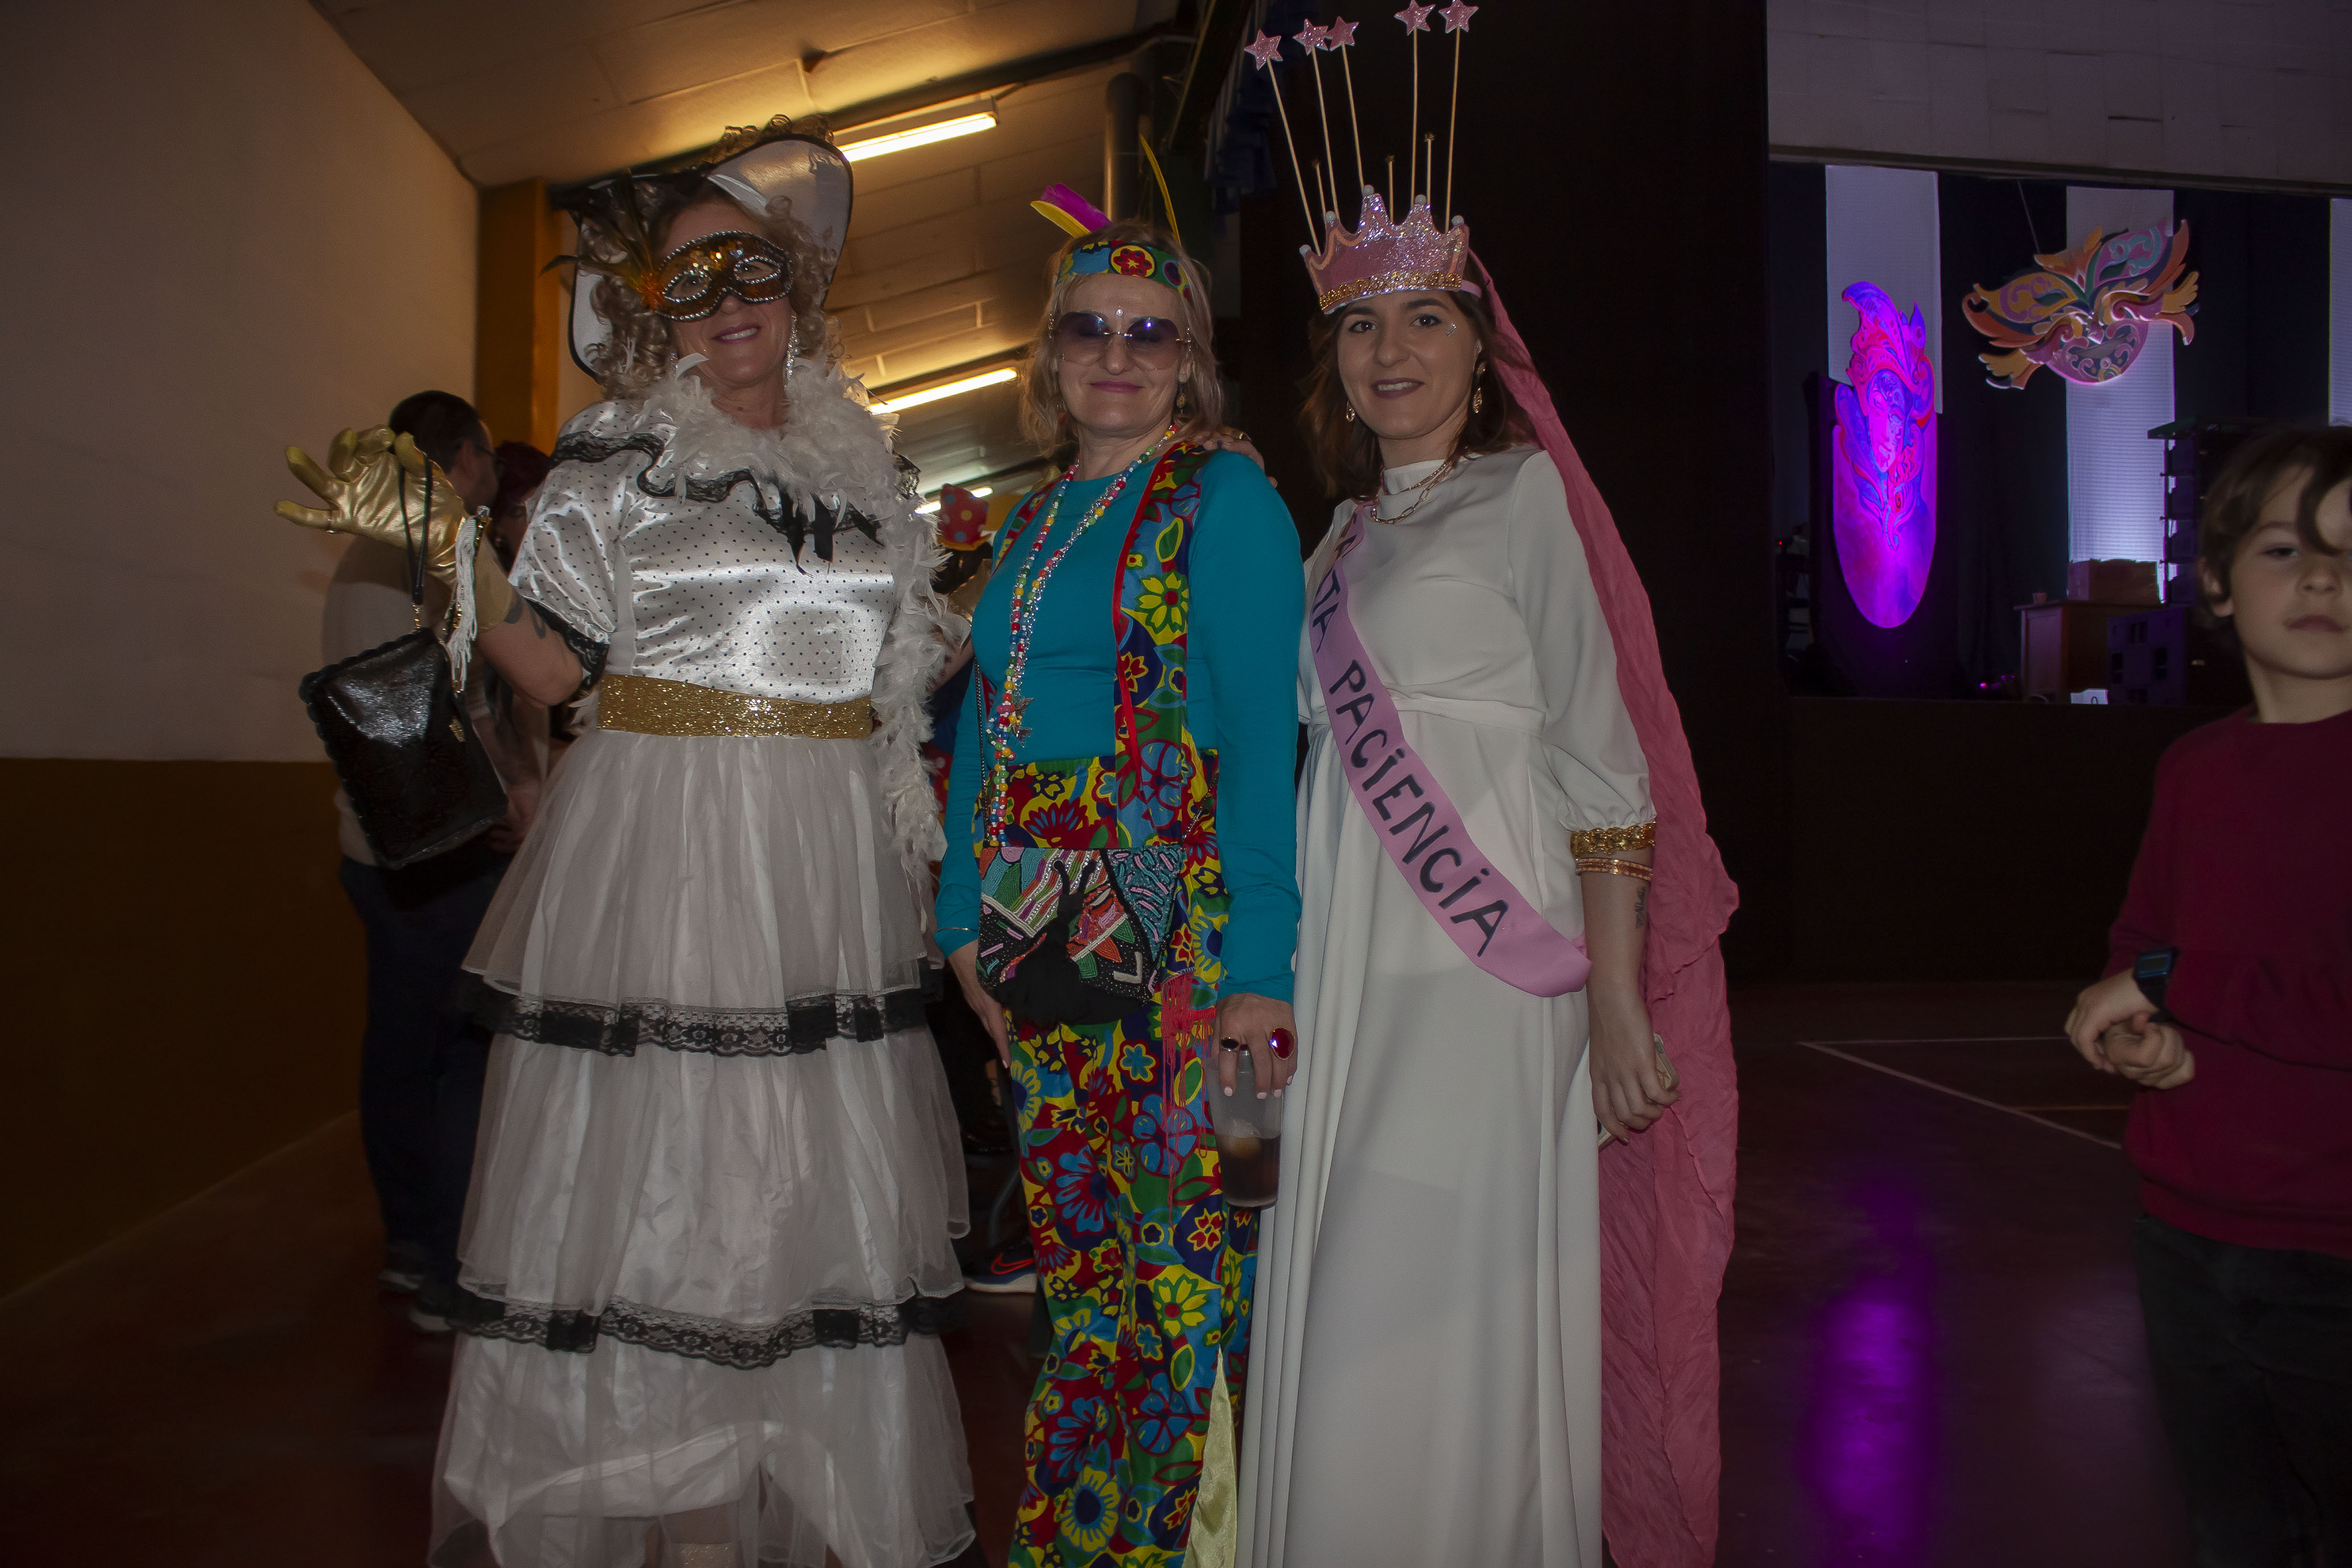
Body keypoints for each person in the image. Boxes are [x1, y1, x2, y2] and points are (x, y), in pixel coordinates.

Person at [276, 120, 981, 1567]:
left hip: (825, 858)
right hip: (669, 843)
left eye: (751, 269)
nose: (727, 302)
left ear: (799, 285)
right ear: (657, 312)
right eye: (691, 280)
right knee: (674, 1179)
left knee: (797, 1182)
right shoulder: (617, 455)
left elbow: (899, 673)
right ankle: (686, 1496)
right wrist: (447, 545)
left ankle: (791, 1469)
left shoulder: (870, 467)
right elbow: (550, 667)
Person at [1236, 18, 1738, 1566]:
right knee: (1351, 1262)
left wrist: (1616, 1003)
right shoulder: (1332, 541)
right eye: (1360, 324)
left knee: (1436, 1274)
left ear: (1478, 349)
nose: (1388, 349)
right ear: (1332, 358)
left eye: (1423, 319)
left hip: (1486, 961)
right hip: (1352, 958)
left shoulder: (1525, 499)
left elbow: (1601, 765)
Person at [936, 207, 1304, 1566]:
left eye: (1152, 333)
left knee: (1187, 1293)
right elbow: (989, 725)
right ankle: (1071, 1542)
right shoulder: (1035, 519)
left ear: (1191, 362)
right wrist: (961, 921)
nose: (1118, 352)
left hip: (1189, 938)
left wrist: (1259, 973)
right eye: (1089, 327)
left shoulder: (1227, 500)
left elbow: (1261, 746)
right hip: (1041, 924)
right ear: (1049, 353)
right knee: (1086, 1290)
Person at [2065, 425, 2352, 1567]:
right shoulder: (2194, 770)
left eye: (2351, 554)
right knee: (2234, 1531)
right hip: (2185, 1233)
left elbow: (2187, 969)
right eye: (2286, 549)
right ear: (2219, 584)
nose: (2322, 579)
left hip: (2336, 1247)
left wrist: (2174, 982)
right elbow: (2144, 941)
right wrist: (2145, 1034)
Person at [325, 389, 539, 1332]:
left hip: (377, 848)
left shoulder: (367, 555)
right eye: (486, 456)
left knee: (401, 1052)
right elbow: (450, 701)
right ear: (461, 459)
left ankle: (411, 1242)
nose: (492, 472)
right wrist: (510, 793)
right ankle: (454, 1271)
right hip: (439, 850)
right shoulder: (429, 552)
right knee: (467, 1053)